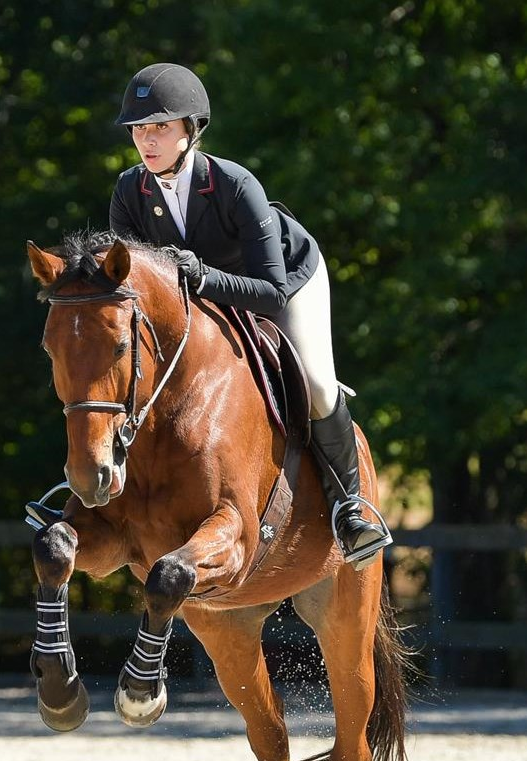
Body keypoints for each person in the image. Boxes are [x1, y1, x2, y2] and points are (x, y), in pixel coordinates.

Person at [108, 61, 392, 566]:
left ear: (191, 131)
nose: (146, 141)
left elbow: (272, 292)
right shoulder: (131, 192)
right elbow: (128, 291)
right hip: (199, 297)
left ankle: (352, 508)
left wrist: (205, 278)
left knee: (318, 384)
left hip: (282, 279)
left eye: (160, 128)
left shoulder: (236, 186)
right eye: (138, 130)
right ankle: (94, 495)